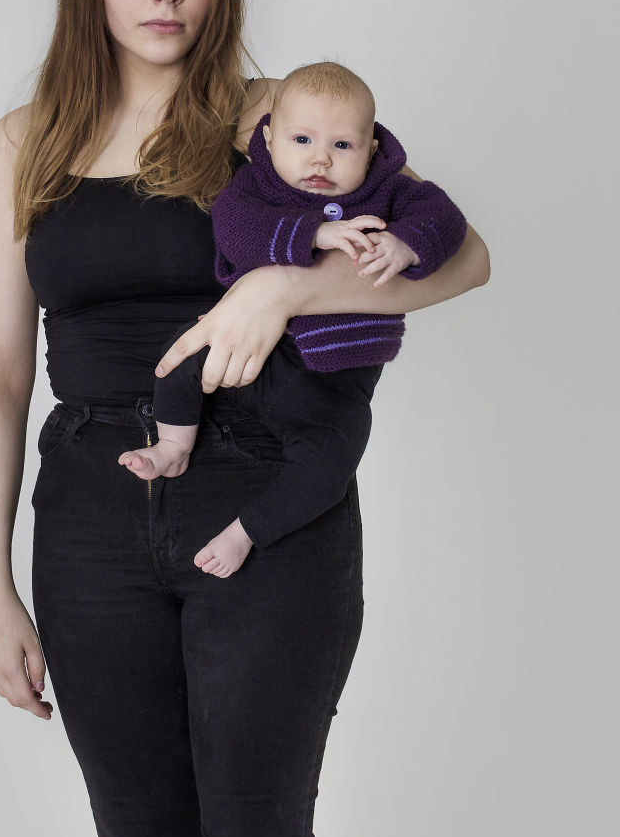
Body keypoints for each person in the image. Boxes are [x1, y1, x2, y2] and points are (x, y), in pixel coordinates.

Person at [0, 0, 490, 837]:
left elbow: (464, 257)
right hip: (88, 513)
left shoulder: (274, 115)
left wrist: (282, 290)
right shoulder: (22, 145)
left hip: (267, 490)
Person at [118, 59, 468, 578]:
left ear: (371, 150)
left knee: (330, 465)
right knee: (183, 354)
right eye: (301, 140)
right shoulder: (255, 188)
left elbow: (447, 218)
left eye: (342, 146)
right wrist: (314, 234)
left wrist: (405, 244)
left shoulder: (389, 190)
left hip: (336, 383)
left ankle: (245, 533)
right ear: (270, 136)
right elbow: (236, 231)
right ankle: (172, 445)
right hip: (254, 357)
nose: (320, 160)